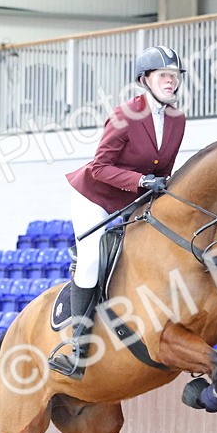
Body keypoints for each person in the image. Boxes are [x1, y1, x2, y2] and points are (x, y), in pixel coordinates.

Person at [48, 45, 188, 379]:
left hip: (133, 200)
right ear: (145, 80)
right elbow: (100, 167)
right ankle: (78, 347)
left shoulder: (177, 120)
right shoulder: (125, 115)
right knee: (91, 260)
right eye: (164, 76)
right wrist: (141, 180)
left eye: (174, 76)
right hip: (95, 197)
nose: (171, 81)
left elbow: (163, 169)